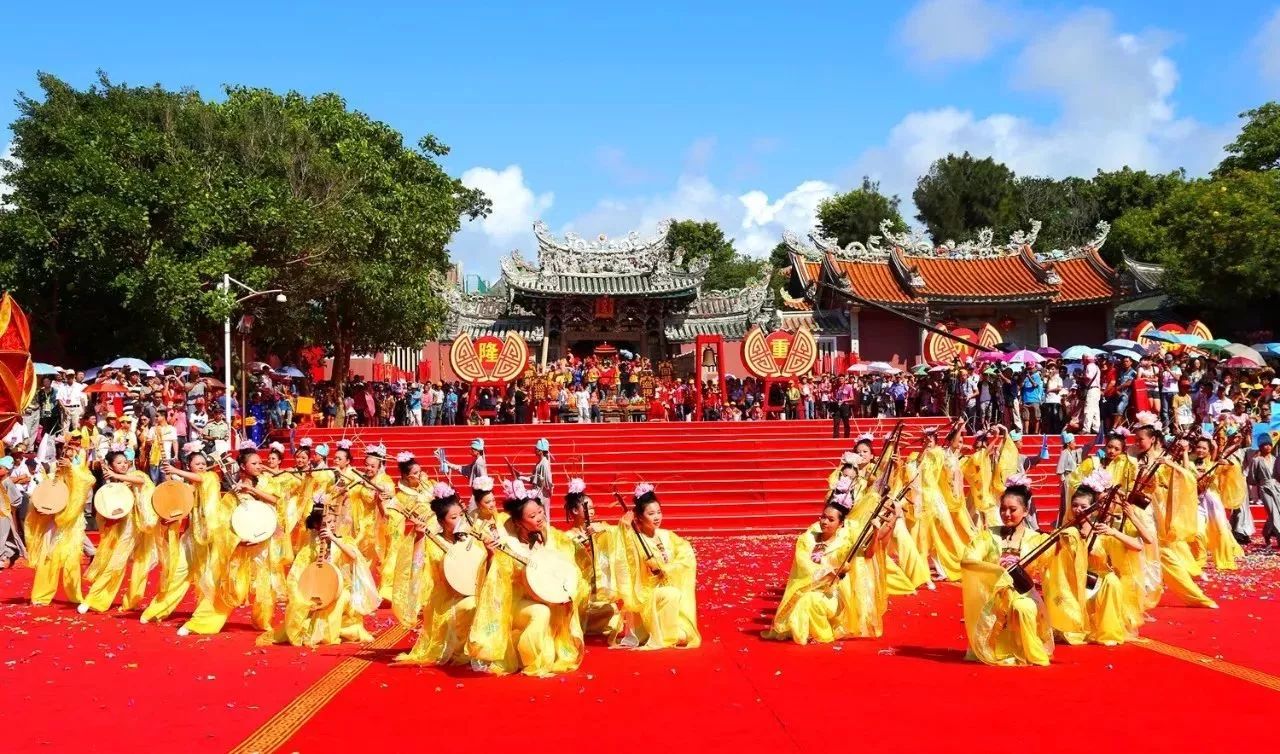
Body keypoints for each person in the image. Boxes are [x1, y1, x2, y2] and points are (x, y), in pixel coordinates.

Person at [467, 488, 585, 676]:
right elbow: (491, 580)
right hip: (515, 602)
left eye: (540, 511)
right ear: (518, 522)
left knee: (560, 609)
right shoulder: (508, 544)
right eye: (532, 516)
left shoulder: (550, 535)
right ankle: (529, 660)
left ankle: (530, 648)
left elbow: (565, 566)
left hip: (544, 595)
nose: (539, 517)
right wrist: (491, 554)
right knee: (541, 612)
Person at [259, 485, 378, 647]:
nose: (330, 525)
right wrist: (304, 595)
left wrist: (334, 539)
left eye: (332, 521)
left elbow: (354, 557)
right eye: (326, 523)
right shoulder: (310, 548)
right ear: (316, 526)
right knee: (308, 612)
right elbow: (296, 576)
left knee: (341, 599)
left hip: (341, 588)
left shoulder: (345, 540)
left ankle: (334, 630)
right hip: (317, 591)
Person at [961, 478, 1054, 667]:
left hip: (1024, 593)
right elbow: (969, 560)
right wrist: (998, 572)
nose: (1006, 514)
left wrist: (1068, 541)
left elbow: (1054, 561)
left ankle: (1030, 651)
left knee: (1023, 607)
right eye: (1003, 509)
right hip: (995, 596)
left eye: (1013, 509)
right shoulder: (988, 535)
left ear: (1026, 511)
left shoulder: (1036, 540)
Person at [393, 487, 482, 665]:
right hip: (445, 602)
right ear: (441, 521)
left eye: (461, 515)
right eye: (453, 517)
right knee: (472, 604)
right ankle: (459, 648)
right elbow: (416, 566)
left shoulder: (470, 539)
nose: (460, 520)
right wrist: (419, 537)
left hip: (471, 590)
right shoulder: (432, 541)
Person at [610, 483, 700, 649]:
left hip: (667, 587)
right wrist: (624, 528)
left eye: (659, 512)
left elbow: (686, 556)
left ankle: (668, 631)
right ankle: (659, 633)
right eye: (651, 513)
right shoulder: (635, 539)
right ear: (640, 516)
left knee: (686, 633)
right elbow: (625, 557)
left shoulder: (667, 536)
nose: (657, 517)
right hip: (646, 595)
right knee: (670, 594)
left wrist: (666, 568)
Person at [78, 449, 156, 614]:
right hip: (125, 530)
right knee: (114, 564)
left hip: (142, 527)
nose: (123, 465)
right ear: (111, 466)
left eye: (124, 461)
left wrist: (117, 477)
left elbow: (140, 482)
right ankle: (94, 599)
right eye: (118, 463)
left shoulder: (137, 474)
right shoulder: (113, 485)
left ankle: (132, 601)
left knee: (141, 566)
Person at [27, 437, 95, 605]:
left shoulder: (81, 472)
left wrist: (71, 468)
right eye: (66, 449)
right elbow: (43, 494)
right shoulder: (52, 474)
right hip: (53, 520)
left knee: (72, 559)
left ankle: (75, 595)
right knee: (48, 556)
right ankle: (41, 595)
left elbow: (88, 482)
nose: (68, 453)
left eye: (73, 449)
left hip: (71, 522)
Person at [563, 478, 622, 639]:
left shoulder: (599, 530)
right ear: (575, 511)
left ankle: (589, 623)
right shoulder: (567, 537)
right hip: (580, 589)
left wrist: (603, 530)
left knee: (613, 612)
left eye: (593, 508)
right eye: (587, 508)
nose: (592, 512)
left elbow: (620, 535)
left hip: (597, 589)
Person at [1247, 435, 1280, 548]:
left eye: (1269, 444)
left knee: (1278, 512)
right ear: (1260, 447)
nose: (1268, 447)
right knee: (1272, 512)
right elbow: (1251, 477)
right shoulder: (1256, 460)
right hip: (1265, 488)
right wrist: (1261, 484)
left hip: (1277, 486)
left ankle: (1266, 533)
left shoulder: (1275, 459)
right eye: (1265, 445)